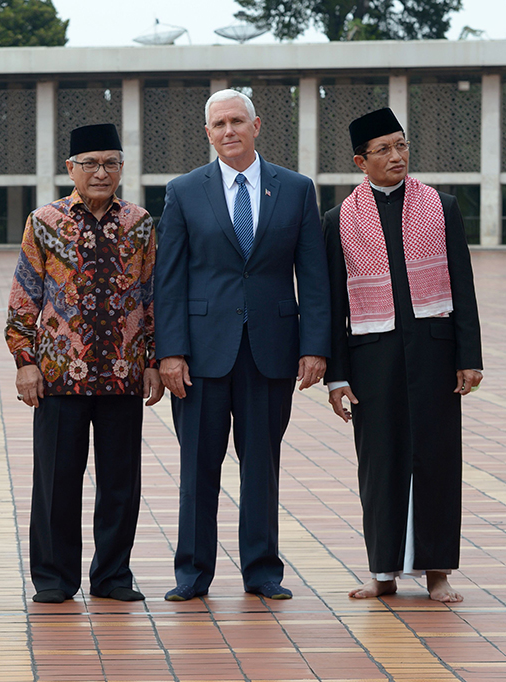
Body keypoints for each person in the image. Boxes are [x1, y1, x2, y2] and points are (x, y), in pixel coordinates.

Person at [154, 89, 330, 602]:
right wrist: (170, 352)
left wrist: (315, 346)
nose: (228, 130)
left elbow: (313, 277)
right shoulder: (185, 191)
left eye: (236, 121)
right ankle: (192, 574)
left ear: (257, 125)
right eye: (218, 124)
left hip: (271, 351)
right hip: (202, 355)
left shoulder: (296, 190)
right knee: (197, 469)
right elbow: (169, 280)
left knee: (262, 468)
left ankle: (262, 572)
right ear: (207, 134)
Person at [323, 108, 482, 603]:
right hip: (372, 360)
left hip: (434, 357)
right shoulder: (337, 221)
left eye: (402, 145)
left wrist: (468, 355)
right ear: (360, 161)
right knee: (379, 464)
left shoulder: (443, 207)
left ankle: (438, 572)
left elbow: (463, 286)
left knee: (437, 459)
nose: (397, 156)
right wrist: (336, 377)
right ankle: (383, 572)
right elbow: (332, 306)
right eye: (384, 150)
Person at [6, 123, 162, 604]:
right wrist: (24, 361)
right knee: (56, 482)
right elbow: (25, 295)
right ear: (70, 168)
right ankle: (54, 578)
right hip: (57, 375)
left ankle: (113, 575)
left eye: (110, 163)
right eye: (90, 163)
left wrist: (153, 360)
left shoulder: (140, 223)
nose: (101, 172)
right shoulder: (45, 221)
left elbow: (151, 294)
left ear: (121, 167)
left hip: (123, 372)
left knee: (120, 482)